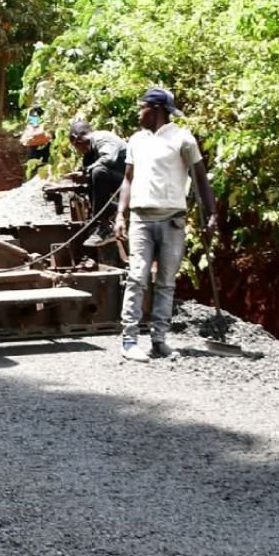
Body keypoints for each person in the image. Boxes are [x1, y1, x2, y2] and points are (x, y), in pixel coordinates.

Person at [114, 87, 215, 363]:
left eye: (142, 107)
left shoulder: (182, 138)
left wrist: (212, 213)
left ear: (156, 110)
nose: (138, 113)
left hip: (172, 219)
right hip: (141, 219)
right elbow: (128, 180)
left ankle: (159, 339)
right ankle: (129, 340)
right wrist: (120, 215)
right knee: (137, 276)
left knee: (166, 282)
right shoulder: (136, 140)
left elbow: (200, 178)